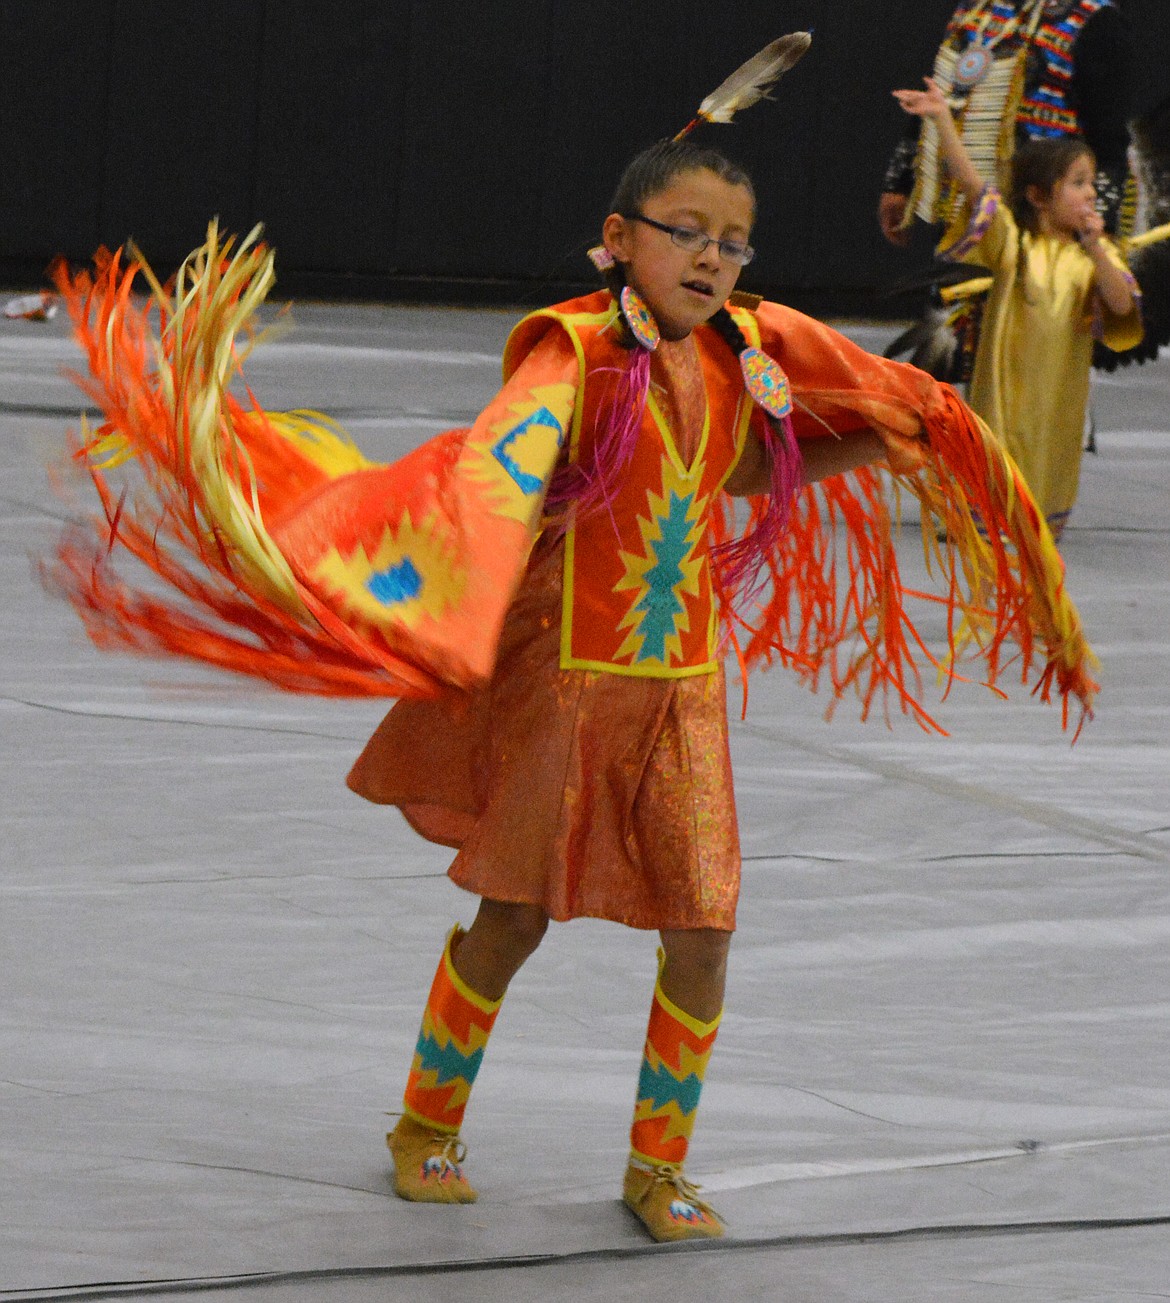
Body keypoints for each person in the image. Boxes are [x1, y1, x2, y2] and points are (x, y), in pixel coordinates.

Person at [48, 143, 1096, 1245]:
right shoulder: (576, 355)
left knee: (704, 930)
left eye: (734, 242)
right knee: (515, 916)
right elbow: (497, 473)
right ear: (619, 237)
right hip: (570, 689)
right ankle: (424, 1126)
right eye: (686, 231)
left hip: (682, 703)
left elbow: (731, 469)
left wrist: (872, 442)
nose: (712, 257)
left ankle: (659, 1167)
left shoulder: (737, 357)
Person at [894, 76, 1142, 537]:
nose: (1091, 193)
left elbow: (1122, 303)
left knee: (1051, 445)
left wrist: (1097, 250)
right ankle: (984, 513)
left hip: (1061, 391)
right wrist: (943, 118)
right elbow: (972, 185)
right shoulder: (1014, 244)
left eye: (1092, 182)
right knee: (997, 441)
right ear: (1038, 196)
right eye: (1077, 183)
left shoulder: (1094, 256)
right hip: (1005, 385)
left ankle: (1037, 518)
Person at [880, 0, 1132, 248]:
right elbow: (940, 94)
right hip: (961, 217)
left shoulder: (1093, 19)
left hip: (1042, 224)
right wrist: (900, 183)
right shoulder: (974, 9)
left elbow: (1109, 140)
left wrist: (1101, 228)